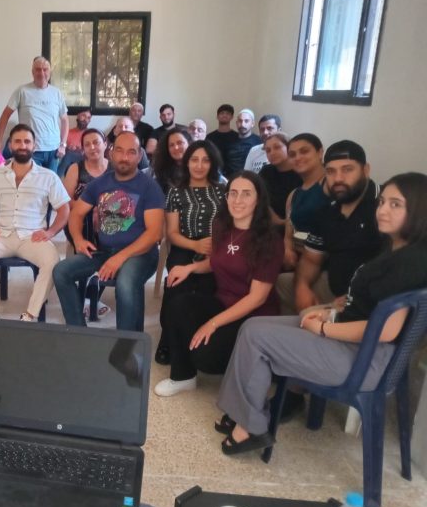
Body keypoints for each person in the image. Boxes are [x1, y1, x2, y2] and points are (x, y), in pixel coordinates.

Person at [215, 172, 427, 455]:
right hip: (354, 343)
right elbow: (373, 304)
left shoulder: (411, 263)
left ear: (418, 211)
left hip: (363, 359)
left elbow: (386, 330)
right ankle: (245, 412)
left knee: (256, 337)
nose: (383, 210)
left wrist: (325, 329)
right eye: (382, 202)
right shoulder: (396, 249)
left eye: (395, 204)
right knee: (253, 326)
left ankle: (250, 427)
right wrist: (333, 309)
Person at [154, 171, 283, 397]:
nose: (238, 200)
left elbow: (257, 298)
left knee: (205, 357)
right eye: (233, 193)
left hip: (254, 316)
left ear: (258, 199)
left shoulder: (269, 239)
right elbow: (216, 262)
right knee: (178, 304)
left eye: (246, 194)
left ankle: (258, 365)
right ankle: (183, 377)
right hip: (224, 302)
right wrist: (190, 268)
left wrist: (212, 324)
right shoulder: (221, 225)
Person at [0, 124, 70, 333]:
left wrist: (50, 232)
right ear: (10, 145)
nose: (22, 145)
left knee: (52, 260)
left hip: (32, 238)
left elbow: (64, 209)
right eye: (18, 141)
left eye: (27, 141)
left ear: (34, 146)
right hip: (1, 236)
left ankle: (29, 316)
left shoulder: (48, 176)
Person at [53, 131, 164, 332]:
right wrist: (78, 240)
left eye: (131, 152)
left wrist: (120, 258)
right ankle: (78, 332)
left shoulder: (150, 187)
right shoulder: (100, 184)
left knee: (126, 283)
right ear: (111, 153)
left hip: (141, 254)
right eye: (119, 151)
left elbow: (154, 234)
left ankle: (126, 344)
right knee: (61, 271)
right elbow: (76, 214)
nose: (124, 157)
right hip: (104, 251)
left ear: (140, 156)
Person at [155, 141, 227, 364]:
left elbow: (230, 225)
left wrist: (214, 245)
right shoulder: (176, 191)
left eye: (205, 160)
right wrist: (195, 246)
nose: (199, 165)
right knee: (176, 286)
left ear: (213, 163)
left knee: (209, 287)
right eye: (194, 160)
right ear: (187, 163)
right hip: (184, 245)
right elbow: (172, 233)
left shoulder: (223, 190)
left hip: (216, 247)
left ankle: (201, 339)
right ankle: (167, 340)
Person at [292, 140, 383, 313]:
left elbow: (401, 265)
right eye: (331, 171)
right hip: (336, 289)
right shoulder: (326, 211)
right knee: (280, 285)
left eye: (347, 169)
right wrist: (302, 286)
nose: (338, 179)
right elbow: (311, 259)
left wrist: (355, 299)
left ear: (365, 170)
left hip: (374, 300)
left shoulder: (386, 205)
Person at [62, 128, 111, 318]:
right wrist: (90, 209)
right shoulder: (76, 168)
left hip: (110, 221)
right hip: (79, 220)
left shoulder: (114, 168)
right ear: (83, 149)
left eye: (96, 142)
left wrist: (103, 211)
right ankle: (89, 290)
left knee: (114, 234)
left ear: (105, 144)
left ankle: (93, 290)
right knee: (90, 224)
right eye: (87, 144)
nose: (92, 147)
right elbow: (66, 200)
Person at [0, 56, 68, 174]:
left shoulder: (57, 93)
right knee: (32, 183)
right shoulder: (22, 91)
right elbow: (5, 115)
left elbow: (64, 120)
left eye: (45, 69)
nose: (42, 73)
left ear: (50, 72)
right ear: (32, 72)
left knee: (51, 183)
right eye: (38, 69)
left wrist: (63, 144)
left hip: (54, 151)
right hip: (31, 150)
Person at [282, 133, 330, 271]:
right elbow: (288, 235)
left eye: (304, 151)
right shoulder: (293, 195)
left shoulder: (331, 186)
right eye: (292, 154)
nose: (298, 157)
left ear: (320, 152)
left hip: (325, 265)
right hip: (298, 261)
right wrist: (288, 251)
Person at [258, 132, 301, 228]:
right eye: (268, 150)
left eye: (277, 147)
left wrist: (284, 223)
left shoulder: (301, 172)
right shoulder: (266, 171)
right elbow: (258, 196)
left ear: (289, 148)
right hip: (269, 225)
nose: (272, 153)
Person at [150, 127, 191, 195]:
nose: (176, 147)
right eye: (171, 145)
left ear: (189, 143)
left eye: (180, 143)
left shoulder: (200, 169)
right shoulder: (161, 174)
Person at [224, 109, 261, 177]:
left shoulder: (259, 142)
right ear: (236, 123)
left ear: (252, 124)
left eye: (246, 121)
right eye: (240, 121)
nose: (242, 124)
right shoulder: (228, 141)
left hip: (251, 178)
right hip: (230, 179)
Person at [59, 109, 92, 178]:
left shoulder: (91, 133)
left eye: (88, 118)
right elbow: (61, 149)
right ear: (78, 116)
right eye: (83, 116)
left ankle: (57, 177)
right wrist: (68, 148)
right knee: (68, 154)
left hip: (85, 160)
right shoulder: (68, 132)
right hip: (69, 162)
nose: (85, 119)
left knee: (69, 155)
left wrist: (81, 149)